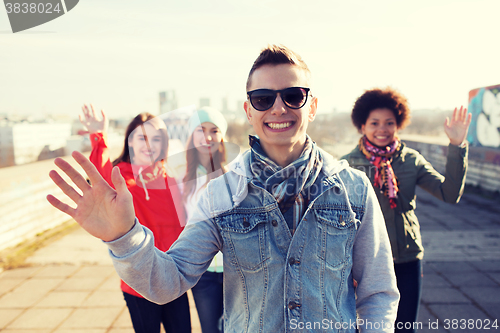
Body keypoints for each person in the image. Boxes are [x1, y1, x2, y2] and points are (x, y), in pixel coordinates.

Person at [48, 45, 399, 333]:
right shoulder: (221, 193)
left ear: (313, 106)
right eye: (263, 98)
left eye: (294, 96)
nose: (279, 107)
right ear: (248, 110)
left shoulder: (353, 189)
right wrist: (123, 237)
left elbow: (378, 291)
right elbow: (168, 281)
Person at [341, 87, 471, 332]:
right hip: (365, 262)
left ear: (398, 124)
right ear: (362, 126)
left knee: (405, 327)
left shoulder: (411, 160)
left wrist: (456, 145)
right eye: (374, 123)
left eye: (389, 123)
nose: (382, 129)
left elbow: (450, 193)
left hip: (408, 258)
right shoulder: (348, 165)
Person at [79, 106, 191, 333]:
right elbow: (100, 176)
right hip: (139, 281)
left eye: (156, 138)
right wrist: (98, 135)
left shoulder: (171, 175)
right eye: (142, 137)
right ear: (130, 141)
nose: (149, 144)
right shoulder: (119, 175)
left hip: (173, 276)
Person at [183, 107, 227, 333]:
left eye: (214, 130)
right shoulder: (180, 179)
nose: (208, 137)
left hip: (234, 271)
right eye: (201, 130)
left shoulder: (234, 175)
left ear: (222, 137)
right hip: (203, 273)